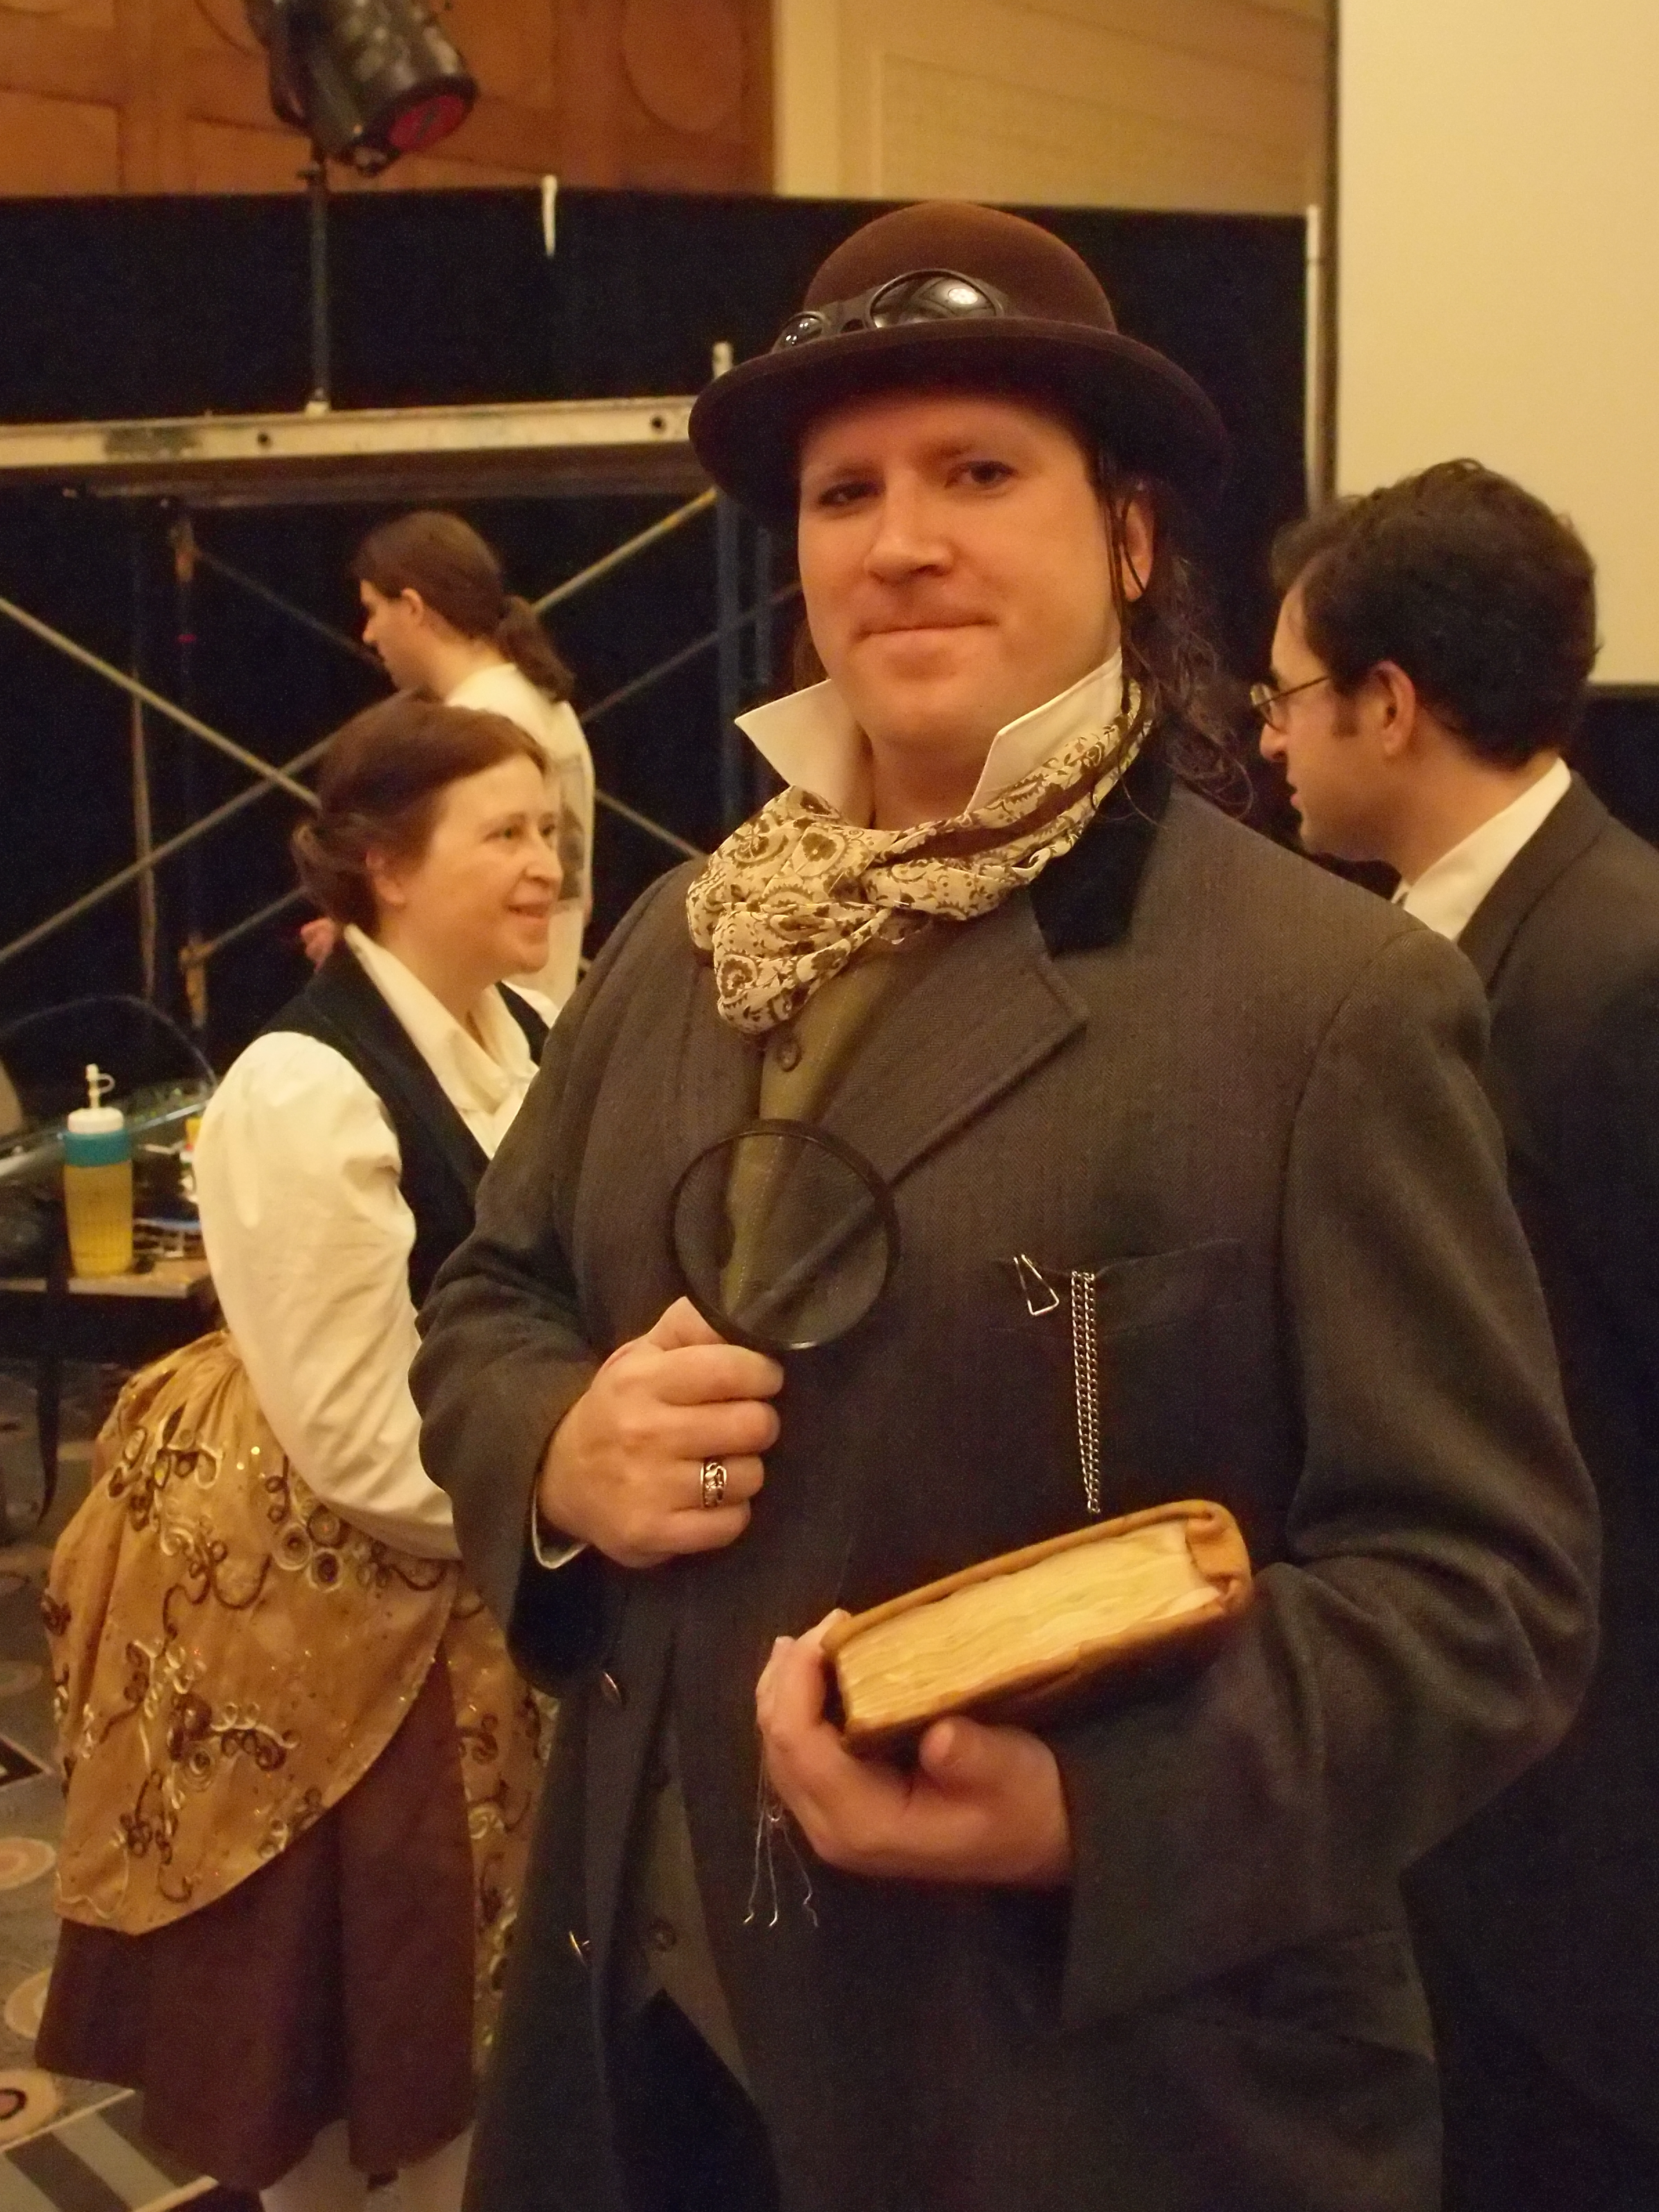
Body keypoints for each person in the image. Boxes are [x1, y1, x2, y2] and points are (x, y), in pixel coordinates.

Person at [411, 203, 1597, 2212]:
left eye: (976, 474)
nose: (899, 542)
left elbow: (1478, 1593)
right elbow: (488, 1297)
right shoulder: (681, 937)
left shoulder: (1324, 1001)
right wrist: (557, 1446)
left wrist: (1086, 1805)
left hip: (1070, 2084)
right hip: (639, 2051)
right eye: (843, 491)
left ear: (1125, 537)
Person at [39, 697, 561, 2212]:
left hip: (474, 1577)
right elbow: (355, 1436)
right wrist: (565, 1499)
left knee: (466, 2025)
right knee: (344, 2036)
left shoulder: (523, 1036)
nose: (545, 865)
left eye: (549, 831)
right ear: (387, 867)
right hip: (328, 1619)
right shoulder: (305, 1084)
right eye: (506, 834)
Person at [1260, 458, 1659, 2212]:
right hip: (1492, 1825)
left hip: (1596, 1848)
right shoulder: (1440, 952)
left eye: (1285, 695)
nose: (1269, 738)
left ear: (1388, 703)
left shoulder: (1612, 970)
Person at [338, 509, 594, 1004]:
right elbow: (576, 893)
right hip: (538, 1001)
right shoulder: (543, 700)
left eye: (373, 610)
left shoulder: (477, 725)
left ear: (412, 607)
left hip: (496, 998)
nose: (368, 634)